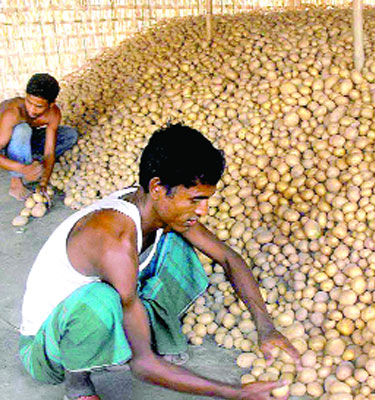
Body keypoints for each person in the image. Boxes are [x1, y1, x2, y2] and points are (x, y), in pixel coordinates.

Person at [19, 124, 300, 400]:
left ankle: (145, 334)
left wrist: (266, 327)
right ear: (157, 187)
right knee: (102, 300)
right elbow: (143, 366)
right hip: (47, 348)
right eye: (195, 199)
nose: (203, 210)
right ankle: (78, 387)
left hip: (90, 318)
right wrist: (233, 392)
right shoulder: (113, 238)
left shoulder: (156, 207)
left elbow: (228, 258)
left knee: (178, 242)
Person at [0, 73, 78, 201]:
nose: (31, 109)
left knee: (70, 135)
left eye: (39, 106)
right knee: (22, 130)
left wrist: (44, 181)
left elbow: (49, 151)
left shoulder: (53, 114)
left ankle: (30, 161)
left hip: (26, 138)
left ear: (51, 104)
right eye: (29, 102)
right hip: (4, 139)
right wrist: (23, 169)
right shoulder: (13, 113)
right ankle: (16, 182)